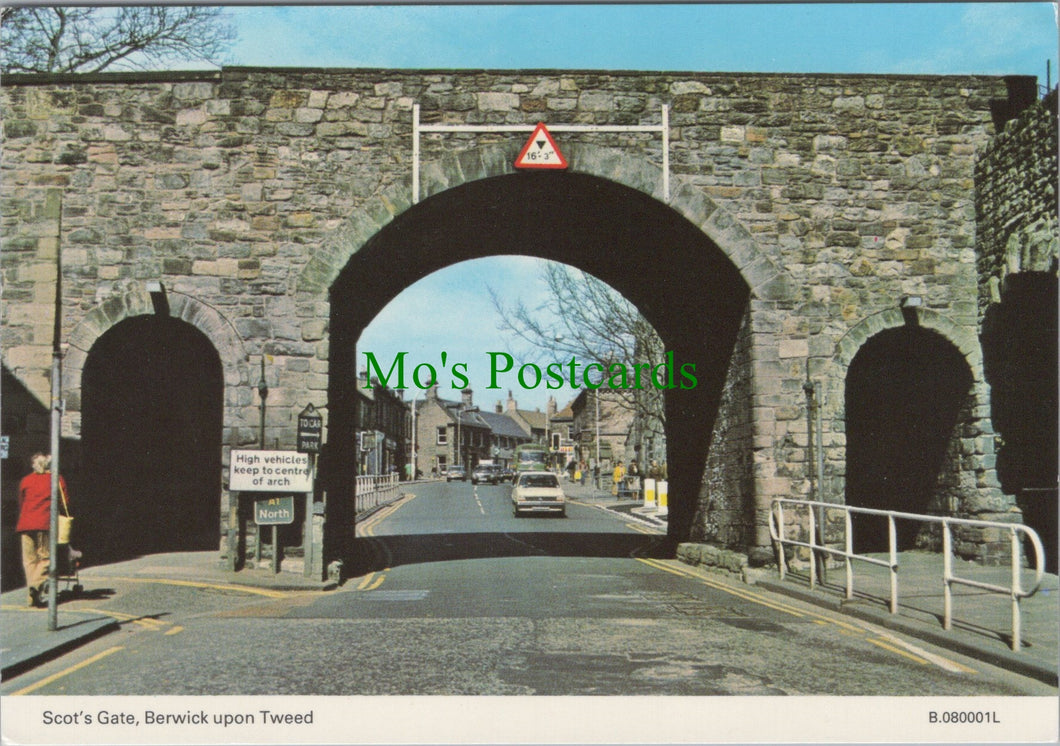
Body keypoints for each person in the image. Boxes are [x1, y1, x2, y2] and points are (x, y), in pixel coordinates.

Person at [17, 452, 67, 608]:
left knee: (29, 561)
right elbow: (65, 500)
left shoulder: (25, 480)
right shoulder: (55, 479)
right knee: (45, 558)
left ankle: (34, 597)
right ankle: (36, 585)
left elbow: (21, 502)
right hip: (44, 523)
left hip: (25, 524)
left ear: (33, 465)